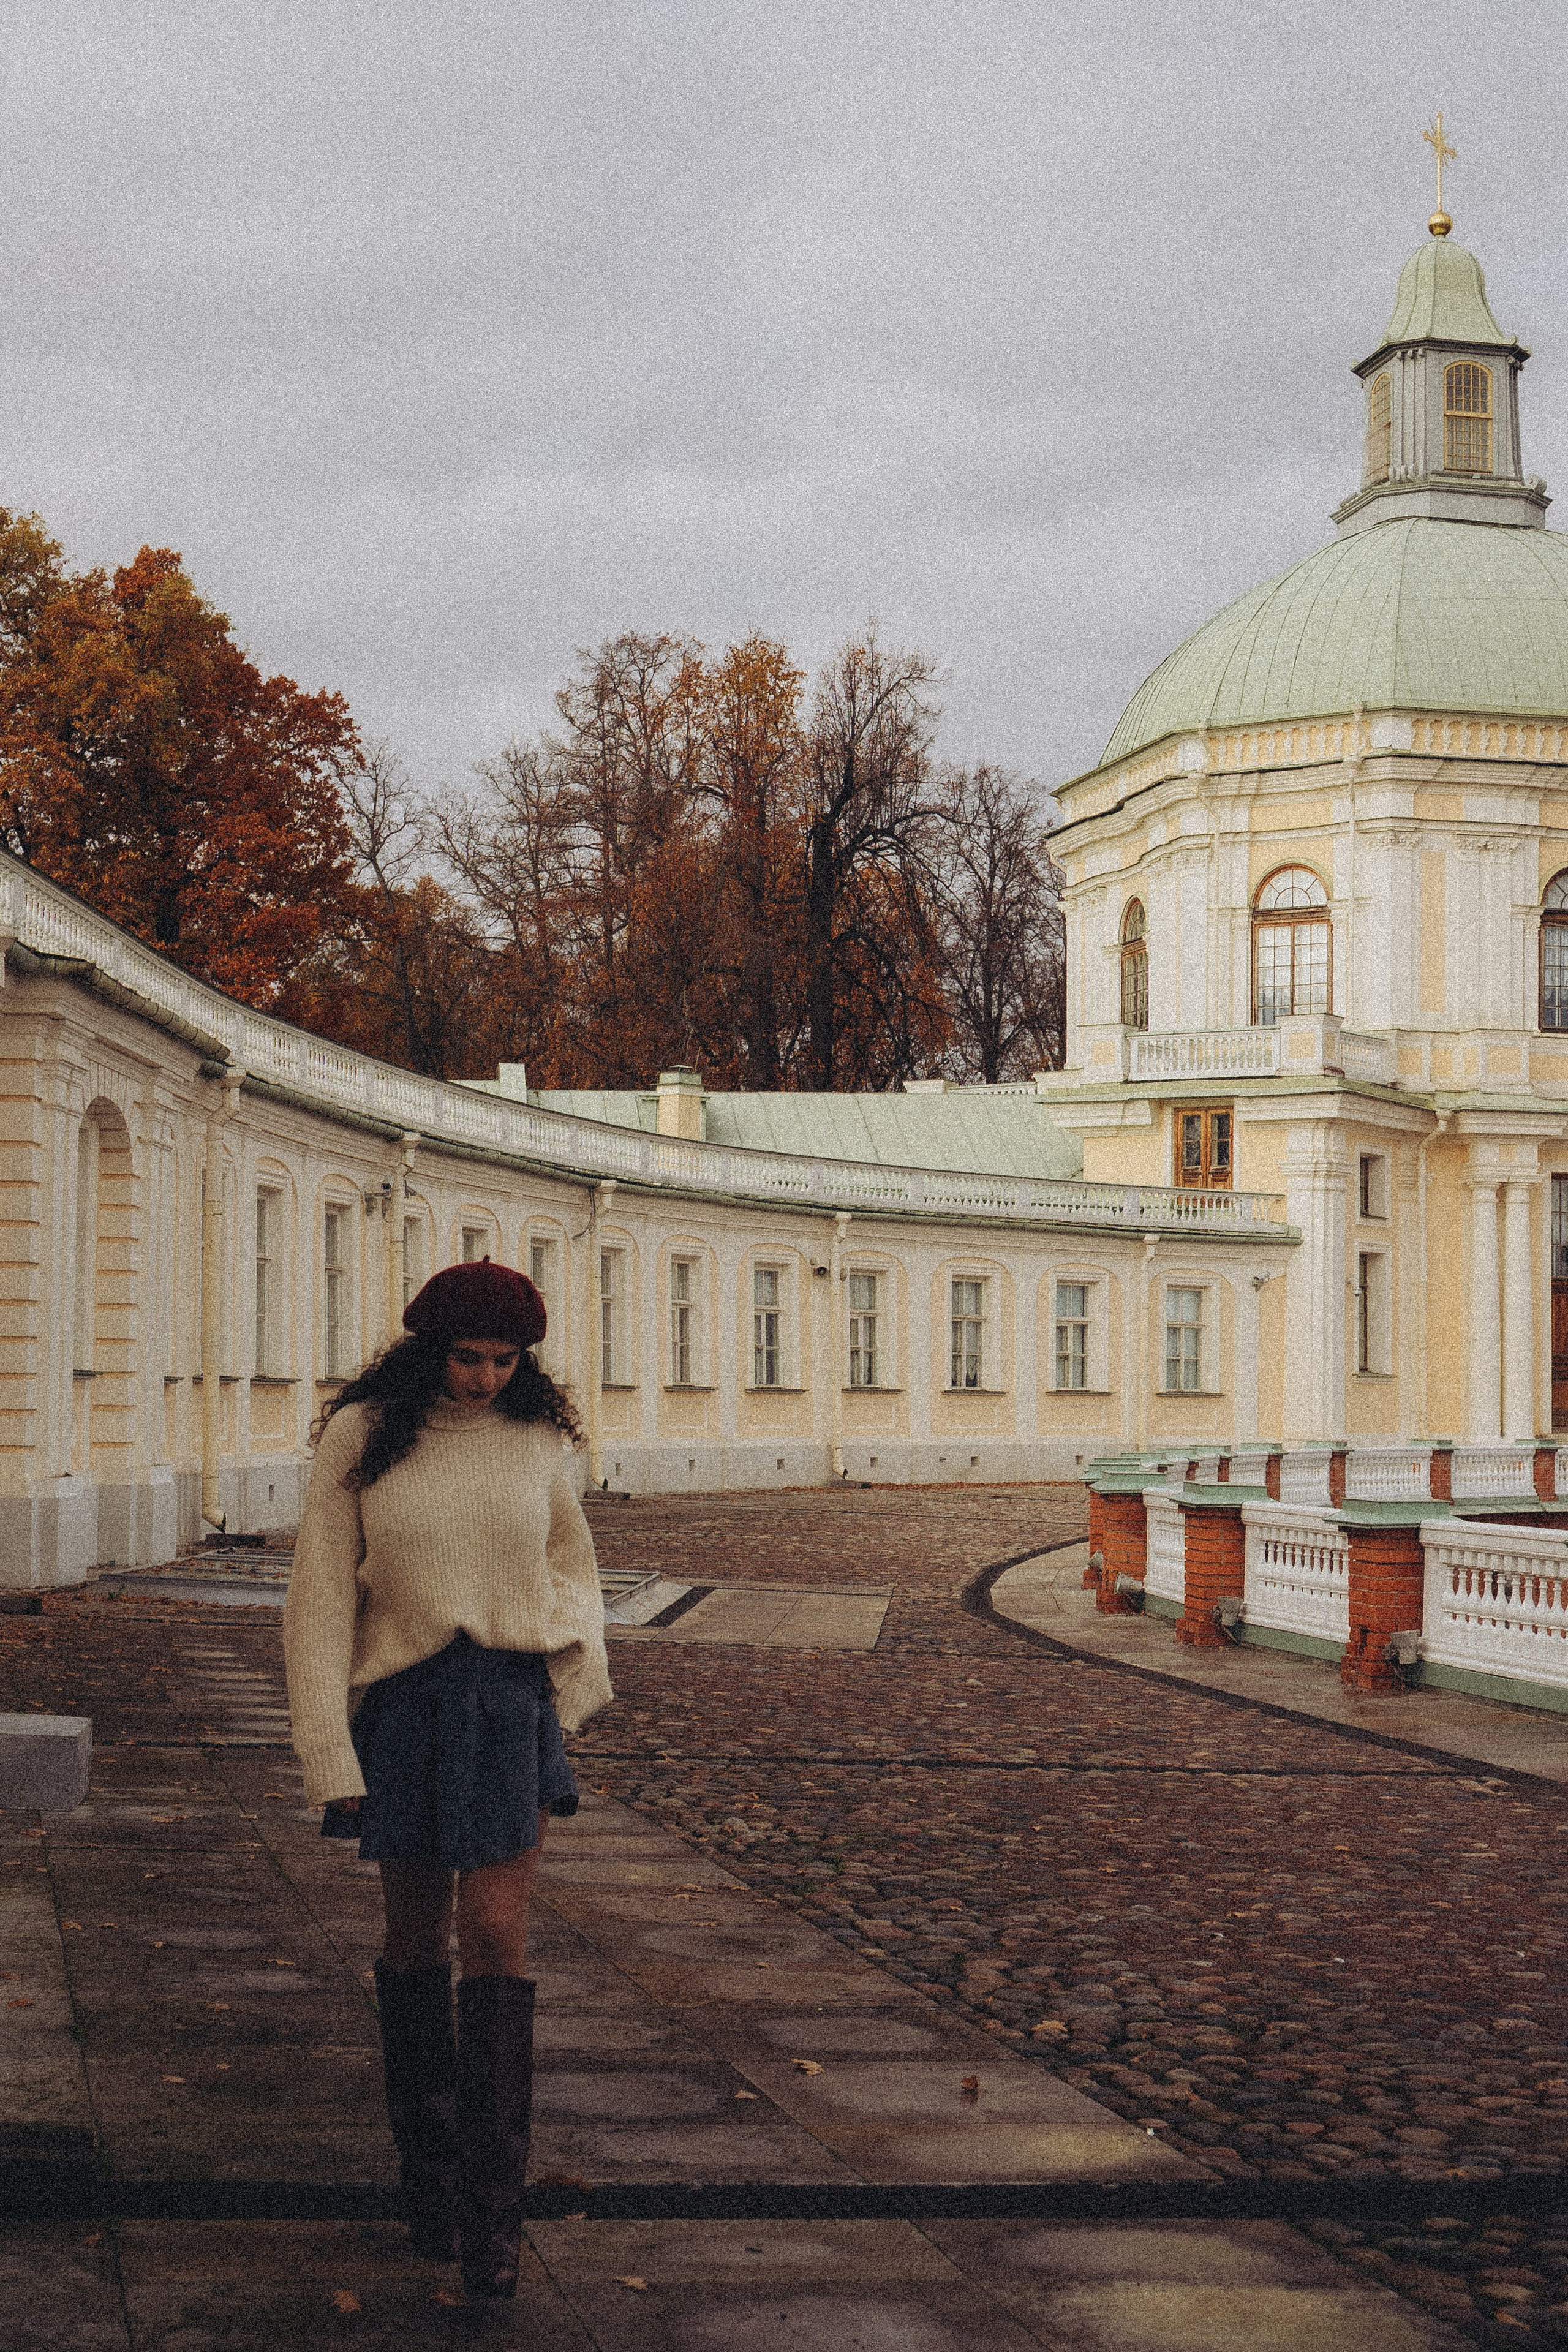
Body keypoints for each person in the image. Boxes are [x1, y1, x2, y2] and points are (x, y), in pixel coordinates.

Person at [282, 1257, 611, 2299]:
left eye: (503, 1361)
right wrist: (327, 1751)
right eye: (467, 1358)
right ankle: (430, 2189)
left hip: (510, 1706)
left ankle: (491, 2229)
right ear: (432, 1349)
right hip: (408, 1710)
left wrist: (565, 1693)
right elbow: (321, 1598)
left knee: (500, 1942)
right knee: (415, 1942)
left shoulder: (543, 1439)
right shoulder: (363, 1436)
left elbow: (574, 1569)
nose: (483, 1379)